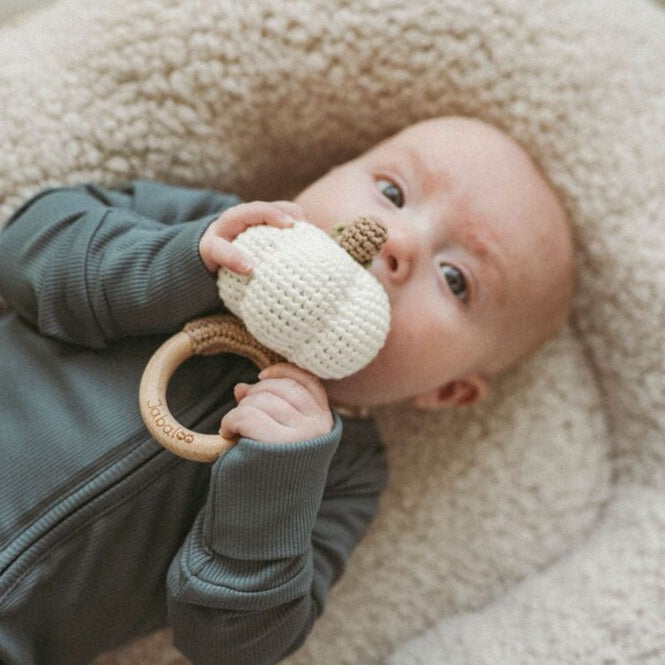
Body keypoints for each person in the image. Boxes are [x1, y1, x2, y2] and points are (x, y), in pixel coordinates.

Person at [0, 117, 574, 665]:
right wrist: (177, 265)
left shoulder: (342, 472)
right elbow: (28, 243)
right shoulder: (213, 228)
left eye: (456, 280)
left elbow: (231, 645)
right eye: (393, 194)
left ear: (447, 391)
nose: (396, 241)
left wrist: (273, 481)